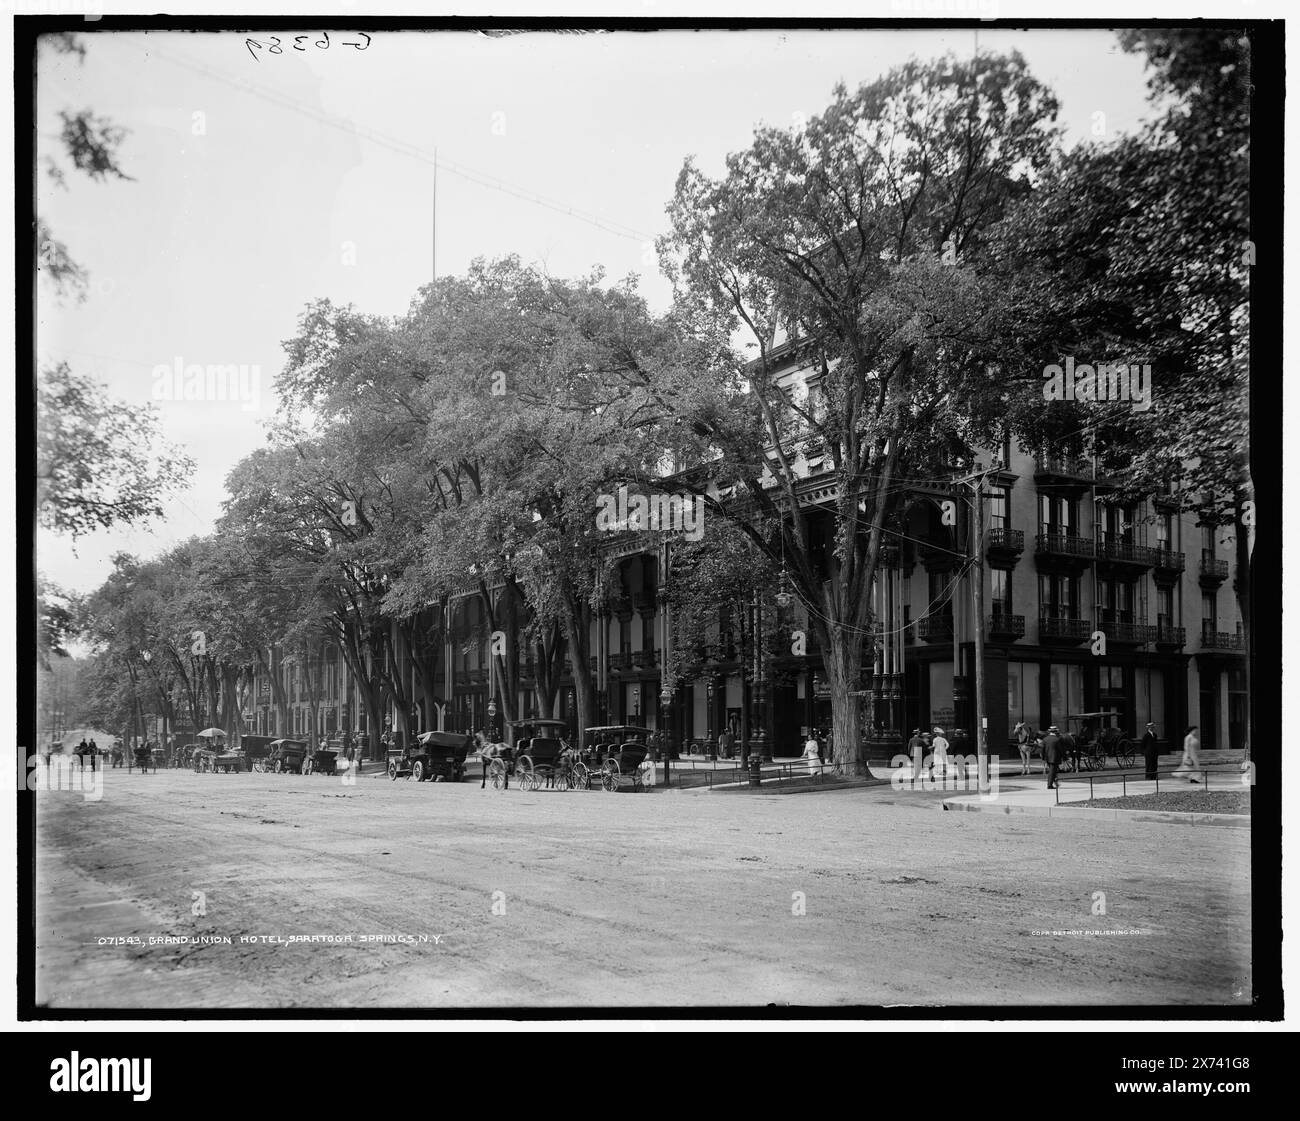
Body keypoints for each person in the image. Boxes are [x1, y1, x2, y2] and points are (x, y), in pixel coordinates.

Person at [1041, 725, 1063, 789]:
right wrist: (1064, 757)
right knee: (1052, 771)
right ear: (1055, 732)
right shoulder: (1057, 739)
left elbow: (1043, 750)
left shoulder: (1045, 739)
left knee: (1053, 771)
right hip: (1055, 758)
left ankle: (1054, 782)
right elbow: (1060, 749)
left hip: (1047, 757)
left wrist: (1043, 757)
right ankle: (1049, 785)